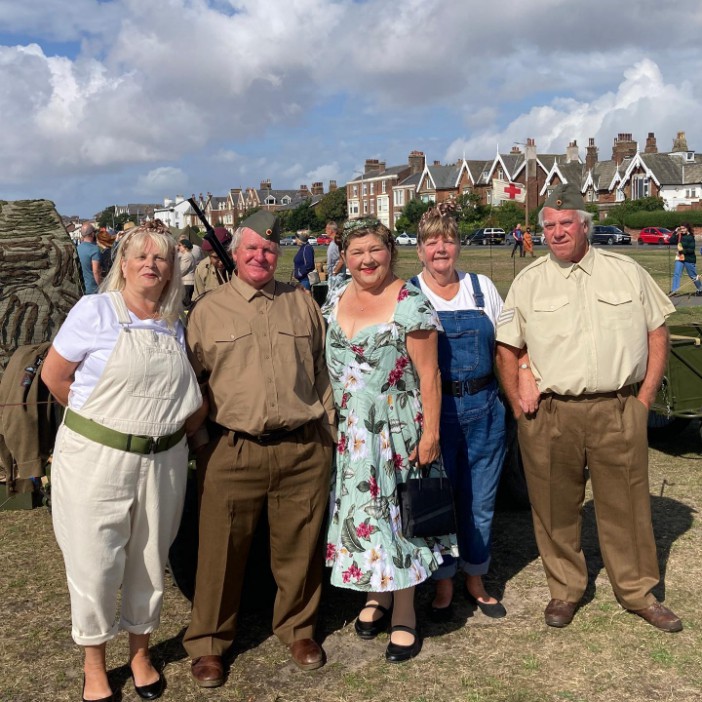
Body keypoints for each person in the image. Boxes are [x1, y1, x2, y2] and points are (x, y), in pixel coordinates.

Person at [495, 183, 683, 633]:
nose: (557, 232)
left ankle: (637, 591)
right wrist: (520, 407)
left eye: (566, 224)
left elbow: (658, 332)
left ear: (584, 226)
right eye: (549, 226)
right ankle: (565, 590)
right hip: (551, 414)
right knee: (555, 507)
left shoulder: (626, 271)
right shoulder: (529, 280)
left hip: (617, 408)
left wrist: (644, 401)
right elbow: (506, 346)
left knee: (628, 505)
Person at [41, 220, 203, 701]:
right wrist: (106, 427)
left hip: (163, 462)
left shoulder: (175, 324)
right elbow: (55, 376)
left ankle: (140, 653)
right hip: (97, 461)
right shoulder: (95, 311)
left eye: (161, 258)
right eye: (142, 257)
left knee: (150, 560)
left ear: (173, 269)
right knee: (94, 562)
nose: (151, 265)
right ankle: (95, 664)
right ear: (124, 265)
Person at [183, 210, 335, 687]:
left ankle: (298, 628)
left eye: (269, 249)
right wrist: (204, 445)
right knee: (220, 552)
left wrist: (327, 436)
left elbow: (322, 372)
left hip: (301, 448)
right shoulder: (208, 310)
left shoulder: (302, 302)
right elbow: (193, 385)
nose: (261, 256)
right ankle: (209, 643)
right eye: (251, 248)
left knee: (300, 546)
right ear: (235, 252)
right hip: (233, 449)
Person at [323, 217, 456, 663]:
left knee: (400, 521)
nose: (366, 260)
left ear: (391, 252)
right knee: (365, 519)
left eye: (375, 250)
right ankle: (376, 594)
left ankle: (404, 611)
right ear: (344, 257)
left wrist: (432, 433)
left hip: (398, 431)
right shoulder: (334, 295)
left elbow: (429, 375)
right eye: (356, 252)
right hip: (351, 433)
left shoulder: (410, 302)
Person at [410, 202, 507, 621]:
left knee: (480, 498)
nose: (440, 248)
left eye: (447, 239)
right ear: (419, 251)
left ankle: (476, 577)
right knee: (440, 500)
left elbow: (506, 347)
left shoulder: (482, 288)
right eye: (432, 241)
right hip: (435, 413)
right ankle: (444, 581)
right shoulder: (409, 293)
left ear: (459, 245)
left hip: (485, 409)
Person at [192, 227, 232, 300]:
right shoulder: (202, 268)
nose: (221, 262)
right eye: (215, 257)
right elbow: (198, 300)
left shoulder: (242, 266)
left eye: (226, 256)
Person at [670, 223, 702, 296]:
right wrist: (675, 231)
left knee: (693, 275)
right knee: (676, 274)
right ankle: (674, 291)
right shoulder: (679, 236)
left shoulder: (691, 237)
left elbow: (691, 250)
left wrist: (681, 251)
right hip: (680, 258)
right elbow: (671, 240)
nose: (682, 230)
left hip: (689, 259)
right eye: (681, 228)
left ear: (687, 228)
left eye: (684, 228)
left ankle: (700, 289)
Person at [77, 222, 102, 294]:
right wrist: (101, 286)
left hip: (82, 288)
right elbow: (96, 271)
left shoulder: (77, 248)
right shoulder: (94, 249)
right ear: (92, 234)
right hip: (93, 288)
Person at [325, 221, 345, 289]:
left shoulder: (337, 243)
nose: (325, 230)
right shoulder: (333, 242)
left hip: (336, 277)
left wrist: (335, 272)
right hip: (333, 276)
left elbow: (342, 259)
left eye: (326, 229)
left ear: (331, 230)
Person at [178, 239, 196, 307]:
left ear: (184, 246)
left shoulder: (187, 256)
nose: (179, 247)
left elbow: (182, 270)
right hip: (188, 282)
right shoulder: (189, 255)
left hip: (187, 282)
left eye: (180, 245)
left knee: (185, 303)